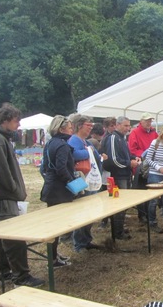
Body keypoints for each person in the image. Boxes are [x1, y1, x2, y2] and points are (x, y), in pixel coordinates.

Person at [0, 103, 45, 288]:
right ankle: (21, 277)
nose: (19, 125)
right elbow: (2, 172)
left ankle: (1, 274)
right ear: (7, 120)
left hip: (5, 195)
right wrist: (14, 189)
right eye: (17, 121)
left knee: (2, 236)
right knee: (13, 237)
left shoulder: (0, 138)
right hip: (5, 196)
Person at [39, 116, 75, 268]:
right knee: (56, 225)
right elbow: (61, 168)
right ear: (61, 129)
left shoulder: (50, 143)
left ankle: (53, 255)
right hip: (59, 190)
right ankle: (53, 259)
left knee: (54, 224)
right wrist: (73, 183)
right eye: (69, 127)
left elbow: (45, 167)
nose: (72, 129)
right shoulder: (62, 145)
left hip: (51, 186)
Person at [67, 113, 103, 253]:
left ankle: (86, 240)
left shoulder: (85, 141)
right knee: (82, 211)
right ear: (80, 125)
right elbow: (73, 154)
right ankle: (79, 243)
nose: (91, 128)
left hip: (89, 180)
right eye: (88, 125)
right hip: (81, 180)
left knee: (90, 211)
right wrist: (89, 153)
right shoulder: (74, 140)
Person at [104, 116, 139, 239]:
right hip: (118, 176)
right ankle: (117, 232)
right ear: (117, 125)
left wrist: (133, 157)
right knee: (118, 204)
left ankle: (120, 229)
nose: (128, 128)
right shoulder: (113, 138)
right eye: (125, 126)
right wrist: (129, 163)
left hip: (125, 175)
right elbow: (113, 159)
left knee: (123, 203)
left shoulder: (122, 138)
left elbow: (126, 155)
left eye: (129, 126)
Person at [128, 112, 158, 224]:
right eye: (146, 121)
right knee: (141, 191)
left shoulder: (154, 133)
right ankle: (142, 215)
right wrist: (145, 155)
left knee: (150, 191)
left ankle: (150, 214)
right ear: (141, 121)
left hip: (152, 166)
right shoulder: (134, 132)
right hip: (141, 166)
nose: (149, 123)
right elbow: (132, 150)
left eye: (150, 121)